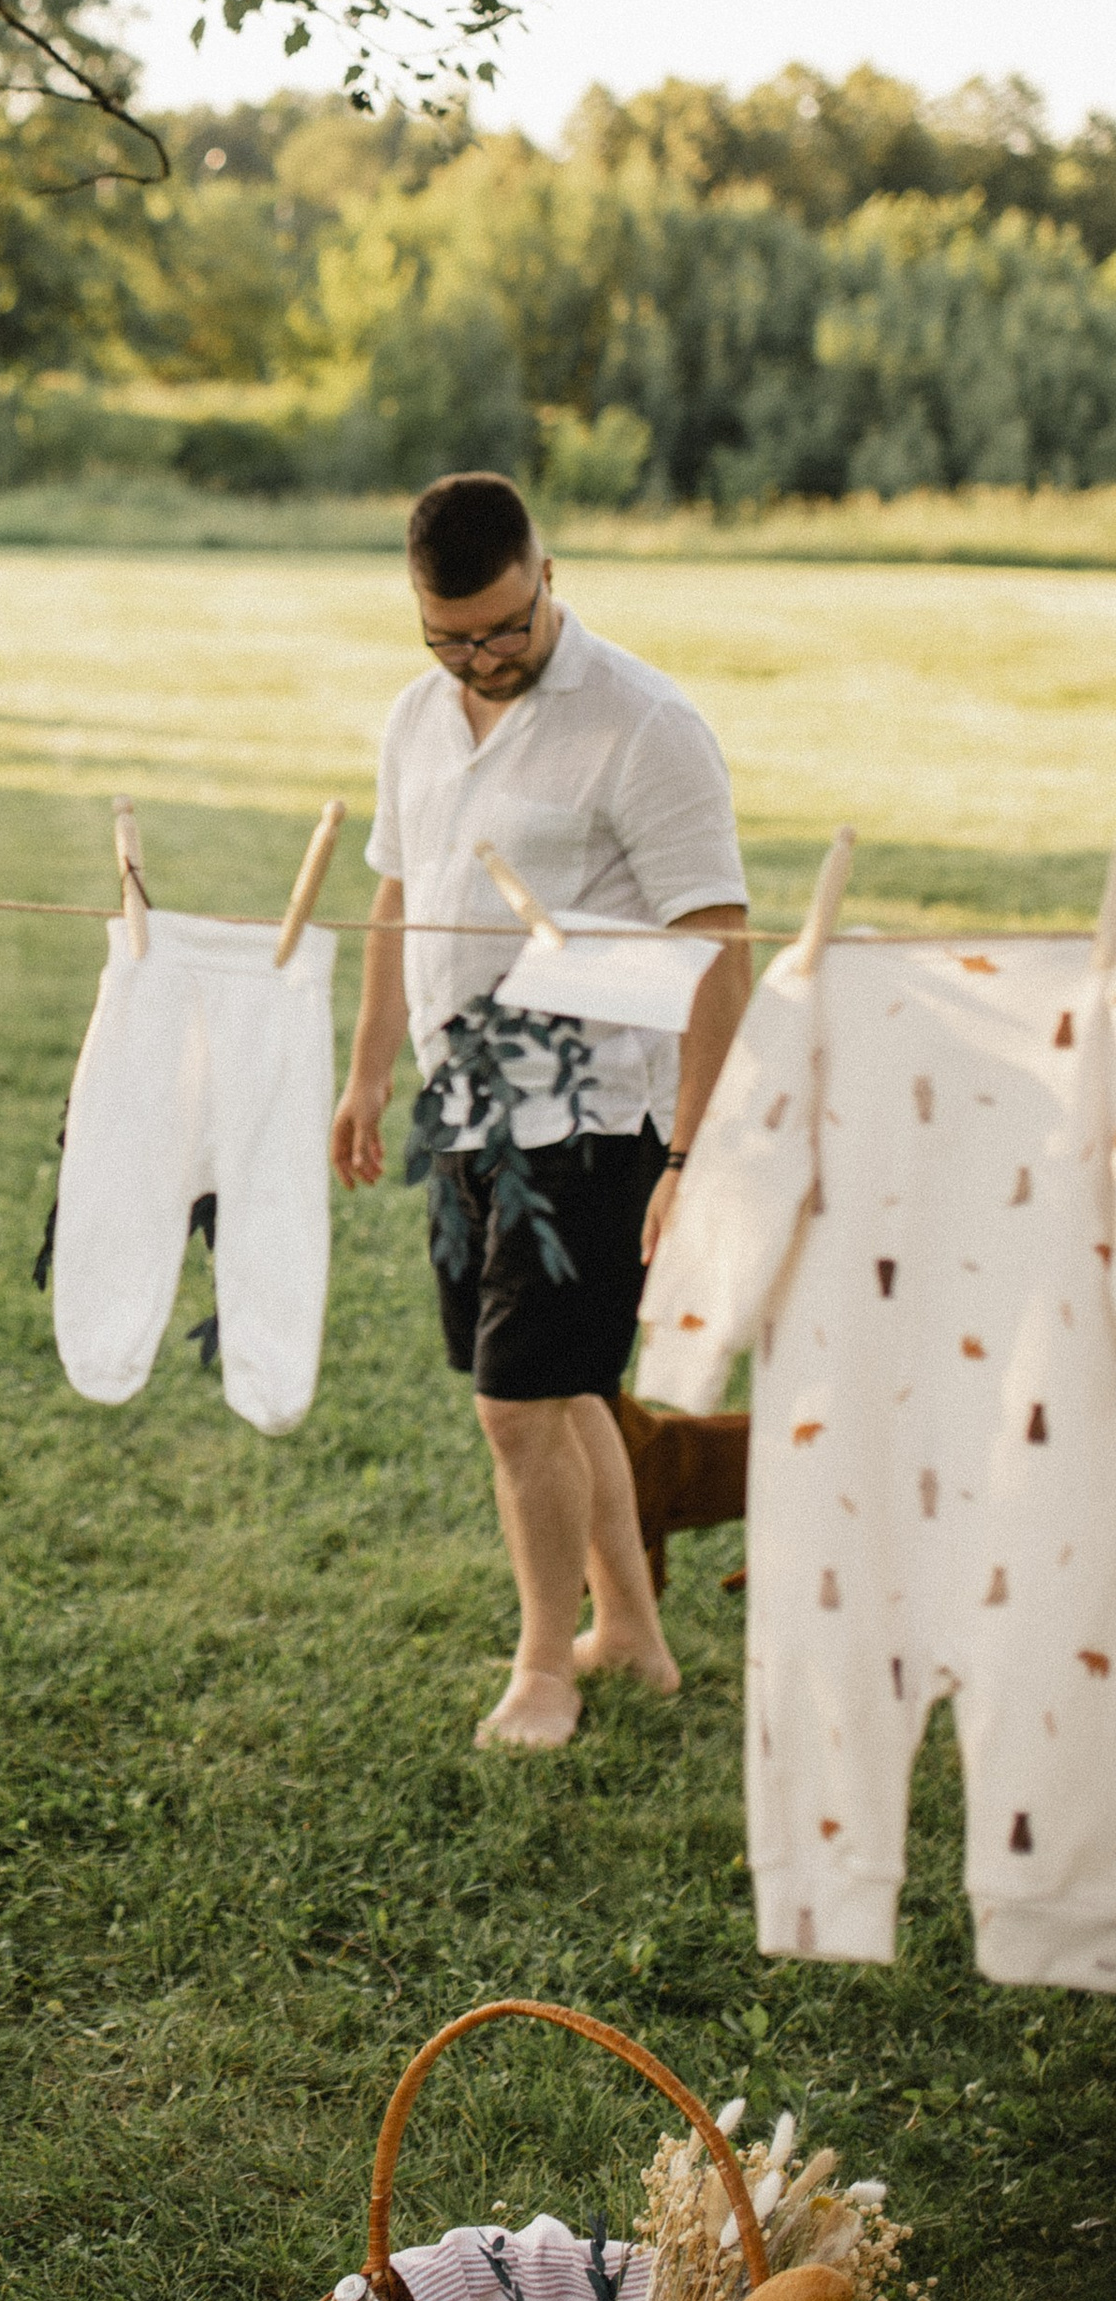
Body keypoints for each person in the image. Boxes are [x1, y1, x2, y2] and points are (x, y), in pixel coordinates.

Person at [330, 471, 750, 1751]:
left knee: (514, 1404)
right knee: (565, 1389)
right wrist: (364, 1073)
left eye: (504, 627)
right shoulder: (415, 714)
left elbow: (719, 947)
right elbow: (401, 900)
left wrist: (691, 1150)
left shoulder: (642, 723)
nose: (482, 656)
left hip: (593, 1115)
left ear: (547, 572)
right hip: (464, 1106)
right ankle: (629, 1629)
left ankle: (543, 1669)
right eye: (451, 635)